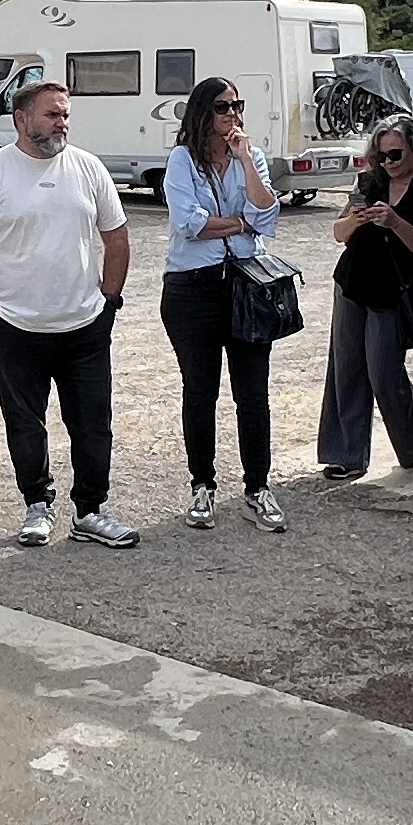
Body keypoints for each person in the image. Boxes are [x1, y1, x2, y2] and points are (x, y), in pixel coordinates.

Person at [0, 78, 138, 548]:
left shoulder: (88, 168)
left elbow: (116, 238)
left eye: (65, 115)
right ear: (22, 119)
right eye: (52, 114)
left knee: (93, 424)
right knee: (25, 424)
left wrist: (109, 303)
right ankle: (37, 505)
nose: (62, 123)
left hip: (84, 325)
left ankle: (91, 511)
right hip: (17, 328)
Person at [161, 76, 293, 532]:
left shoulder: (250, 156)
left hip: (247, 286)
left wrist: (246, 161)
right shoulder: (182, 160)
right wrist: (242, 223)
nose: (233, 113)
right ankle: (202, 485)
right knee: (200, 392)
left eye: (237, 105)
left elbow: (267, 214)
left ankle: (258, 487)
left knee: (253, 394)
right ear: (202, 112)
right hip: (192, 289)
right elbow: (189, 224)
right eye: (222, 106)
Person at [316, 114, 413, 483]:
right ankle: (347, 455)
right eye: (381, 155)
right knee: (346, 368)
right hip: (352, 282)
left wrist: (395, 222)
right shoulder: (369, 182)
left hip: (394, 289)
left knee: (384, 371)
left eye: (395, 154)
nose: (388, 162)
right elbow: (338, 233)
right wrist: (357, 219)